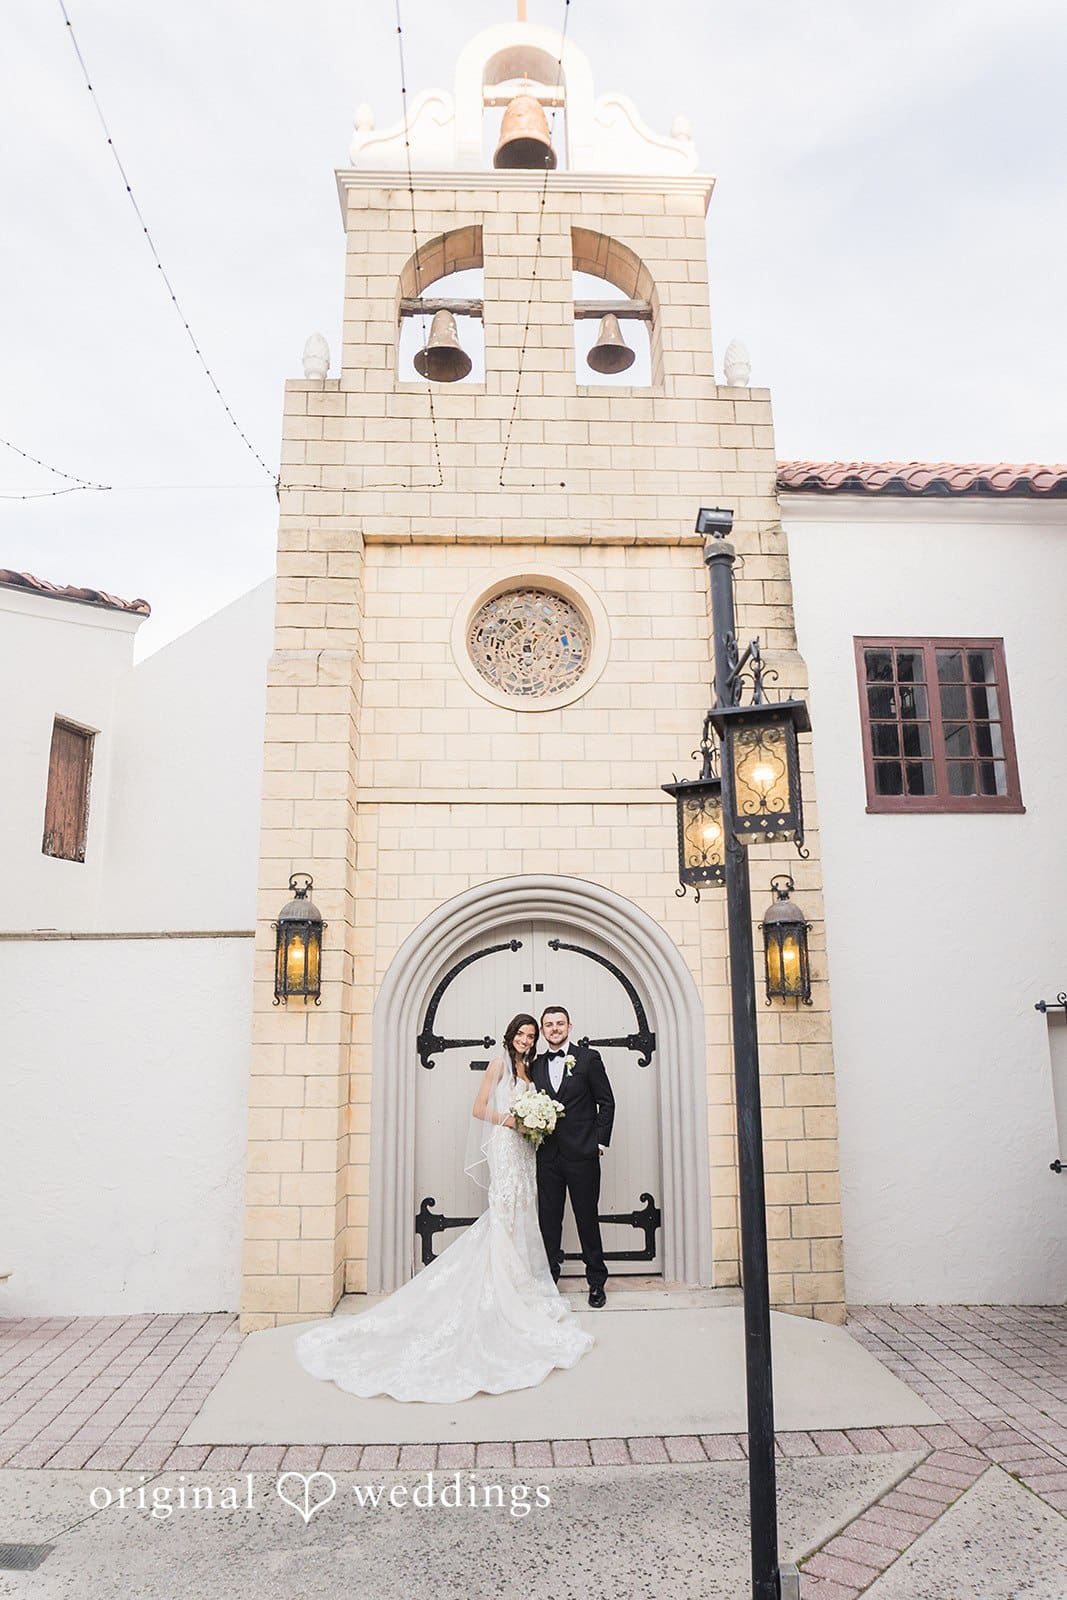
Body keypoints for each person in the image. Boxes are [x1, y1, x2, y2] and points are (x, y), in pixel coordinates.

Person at [292, 1013, 593, 1402]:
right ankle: (500, 1290)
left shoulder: (529, 1067)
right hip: (505, 1146)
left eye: (530, 1035)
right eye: (521, 1034)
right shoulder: (499, 1063)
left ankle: (518, 1285)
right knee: (504, 1212)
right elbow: (478, 1108)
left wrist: (533, 1124)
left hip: (525, 1151)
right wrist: (513, 1122)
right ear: (510, 1036)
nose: (526, 1039)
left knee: (521, 1214)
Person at [531, 1005, 615, 1308]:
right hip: (548, 1157)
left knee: (587, 1219)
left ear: (570, 1026)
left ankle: (596, 1282)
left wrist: (599, 1144)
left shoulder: (588, 1059)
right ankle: (549, 1279)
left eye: (559, 1023)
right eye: (549, 1025)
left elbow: (607, 1103)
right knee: (549, 1221)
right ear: (543, 1031)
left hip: (583, 1155)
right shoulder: (536, 1064)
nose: (554, 1028)